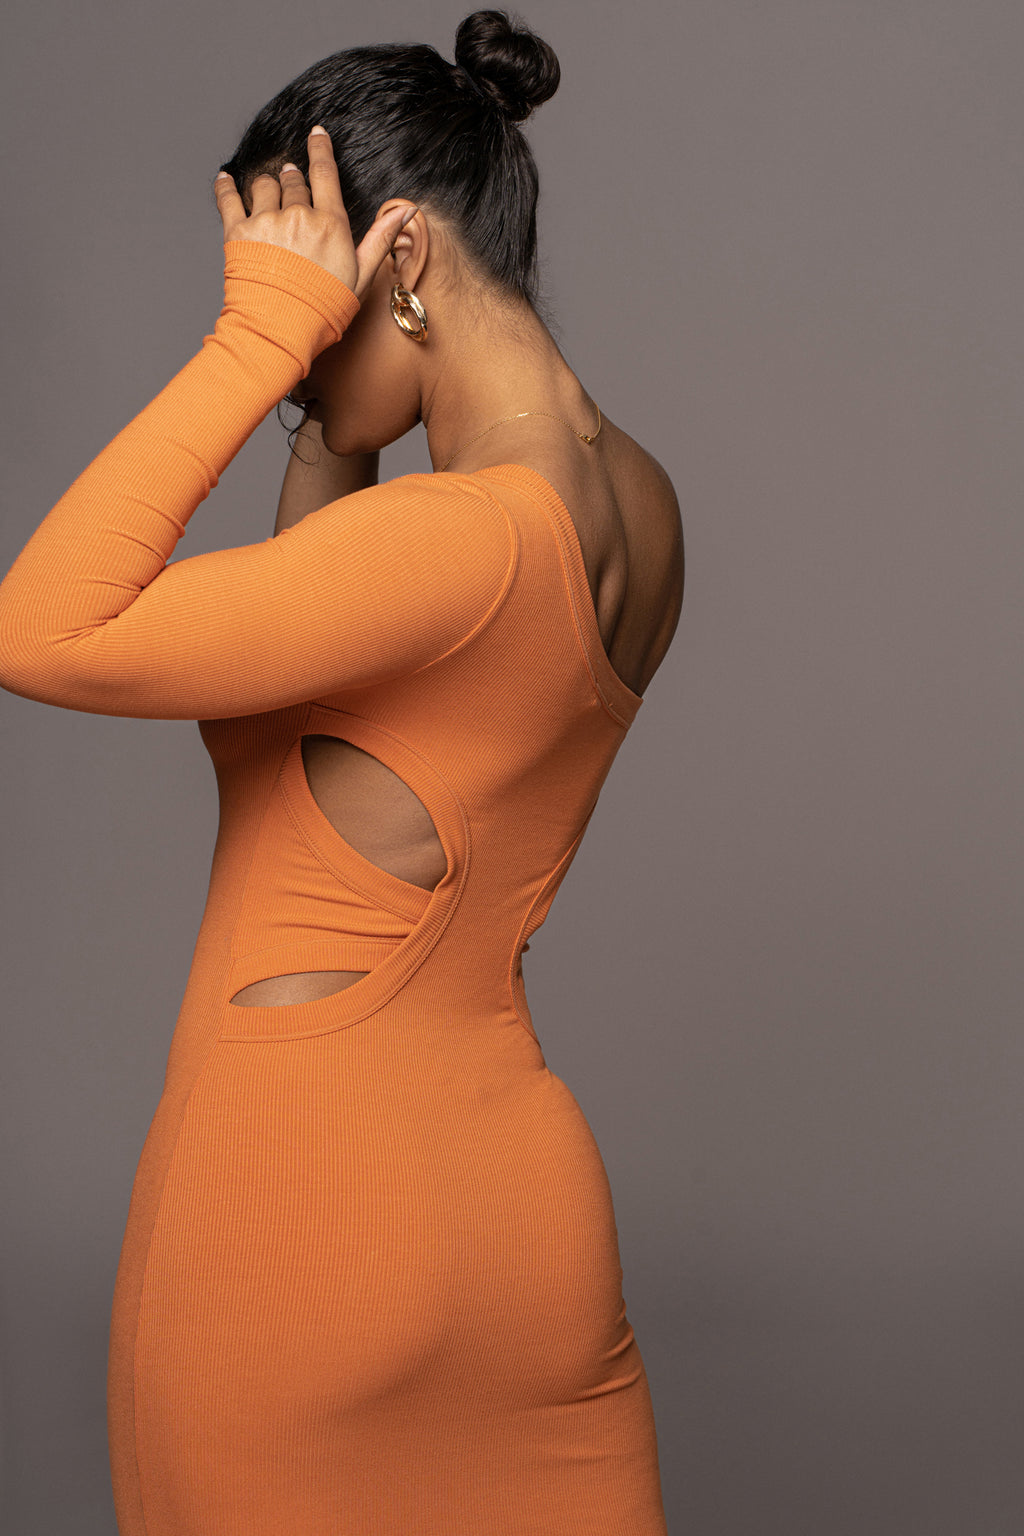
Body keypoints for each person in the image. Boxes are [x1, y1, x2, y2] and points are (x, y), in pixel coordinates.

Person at [0, 10, 682, 1533]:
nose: (294, 362)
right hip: (524, 1229)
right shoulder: (632, 503)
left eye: (315, 304)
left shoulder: (459, 542)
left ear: (402, 254)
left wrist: (255, 343)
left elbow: (37, 629)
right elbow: (314, 691)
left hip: (295, 1227)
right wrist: (328, 390)